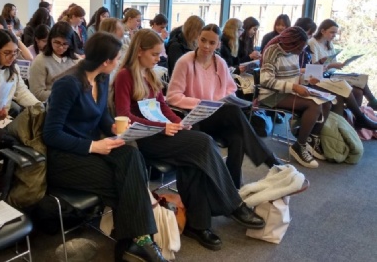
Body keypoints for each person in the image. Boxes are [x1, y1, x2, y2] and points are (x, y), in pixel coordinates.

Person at [113, 29, 265, 251]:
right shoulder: (125, 76)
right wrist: (163, 126)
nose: (159, 59)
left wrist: (178, 121)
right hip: (146, 137)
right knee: (203, 142)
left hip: (165, 130)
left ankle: (198, 224)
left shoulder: (150, 73)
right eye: (155, 54)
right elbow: (125, 115)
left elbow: (163, 106)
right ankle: (234, 204)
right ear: (139, 52)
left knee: (193, 162)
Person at [43, 31, 168, 262]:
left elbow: (101, 117)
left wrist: (112, 127)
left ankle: (132, 243)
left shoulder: (100, 79)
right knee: (125, 183)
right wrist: (92, 146)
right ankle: (140, 242)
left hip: (94, 147)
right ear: (105, 61)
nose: (120, 62)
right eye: (117, 58)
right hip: (66, 158)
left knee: (132, 156)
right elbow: (51, 134)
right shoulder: (68, 85)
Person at [166, 24, 283, 187]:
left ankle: (233, 187)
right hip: (197, 118)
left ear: (218, 44)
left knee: (238, 137)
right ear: (198, 39)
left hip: (217, 115)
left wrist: (225, 99)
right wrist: (201, 103)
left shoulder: (219, 62)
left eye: (212, 43)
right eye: (203, 40)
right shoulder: (185, 62)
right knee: (233, 112)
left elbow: (231, 88)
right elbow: (172, 96)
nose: (207, 46)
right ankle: (271, 160)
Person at [260, 26, 331, 168]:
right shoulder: (272, 51)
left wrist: (306, 80)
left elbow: (294, 75)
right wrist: (294, 87)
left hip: (288, 92)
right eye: (300, 47)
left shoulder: (294, 52)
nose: (302, 50)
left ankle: (311, 137)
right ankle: (299, 145)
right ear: (292, 44)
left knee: (326, 102)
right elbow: (265, 80)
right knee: (314, 105)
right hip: (270, 95)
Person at [296, 18, 377, 130]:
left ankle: (353, 125)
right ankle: (357, 119)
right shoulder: (311, 44)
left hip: (326, 74)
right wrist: (326, 65)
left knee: (358, 87)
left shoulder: (328, 44)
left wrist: (336, 65)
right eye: (332, 32)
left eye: (335, 33)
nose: (334, 35)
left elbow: (325, 64)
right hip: (317, 77)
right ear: (323, 31)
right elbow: (311, 68)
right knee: (343, 90)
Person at [29, 22, 77, 102]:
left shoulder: (77, 61)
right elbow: (37, 93)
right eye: (57, 42)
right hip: (51, 105)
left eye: (65, 44)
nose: (61, 47)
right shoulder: (40, 61)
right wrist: (65, 96)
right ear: (50, 40)